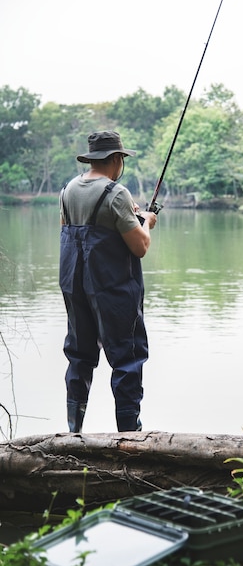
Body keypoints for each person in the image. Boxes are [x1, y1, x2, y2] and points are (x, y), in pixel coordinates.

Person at [59, 130, 157, 433]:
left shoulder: (68, 190)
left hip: (74, 285)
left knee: (79, 355)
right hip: (112, 289)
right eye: (121, 159)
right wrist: (147, 222)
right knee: (127, 358)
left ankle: (73, 433)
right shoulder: (116, 193)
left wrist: (129, 217)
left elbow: (69, 229)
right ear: (116, 159)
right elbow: (139, 247)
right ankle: (128, 437)